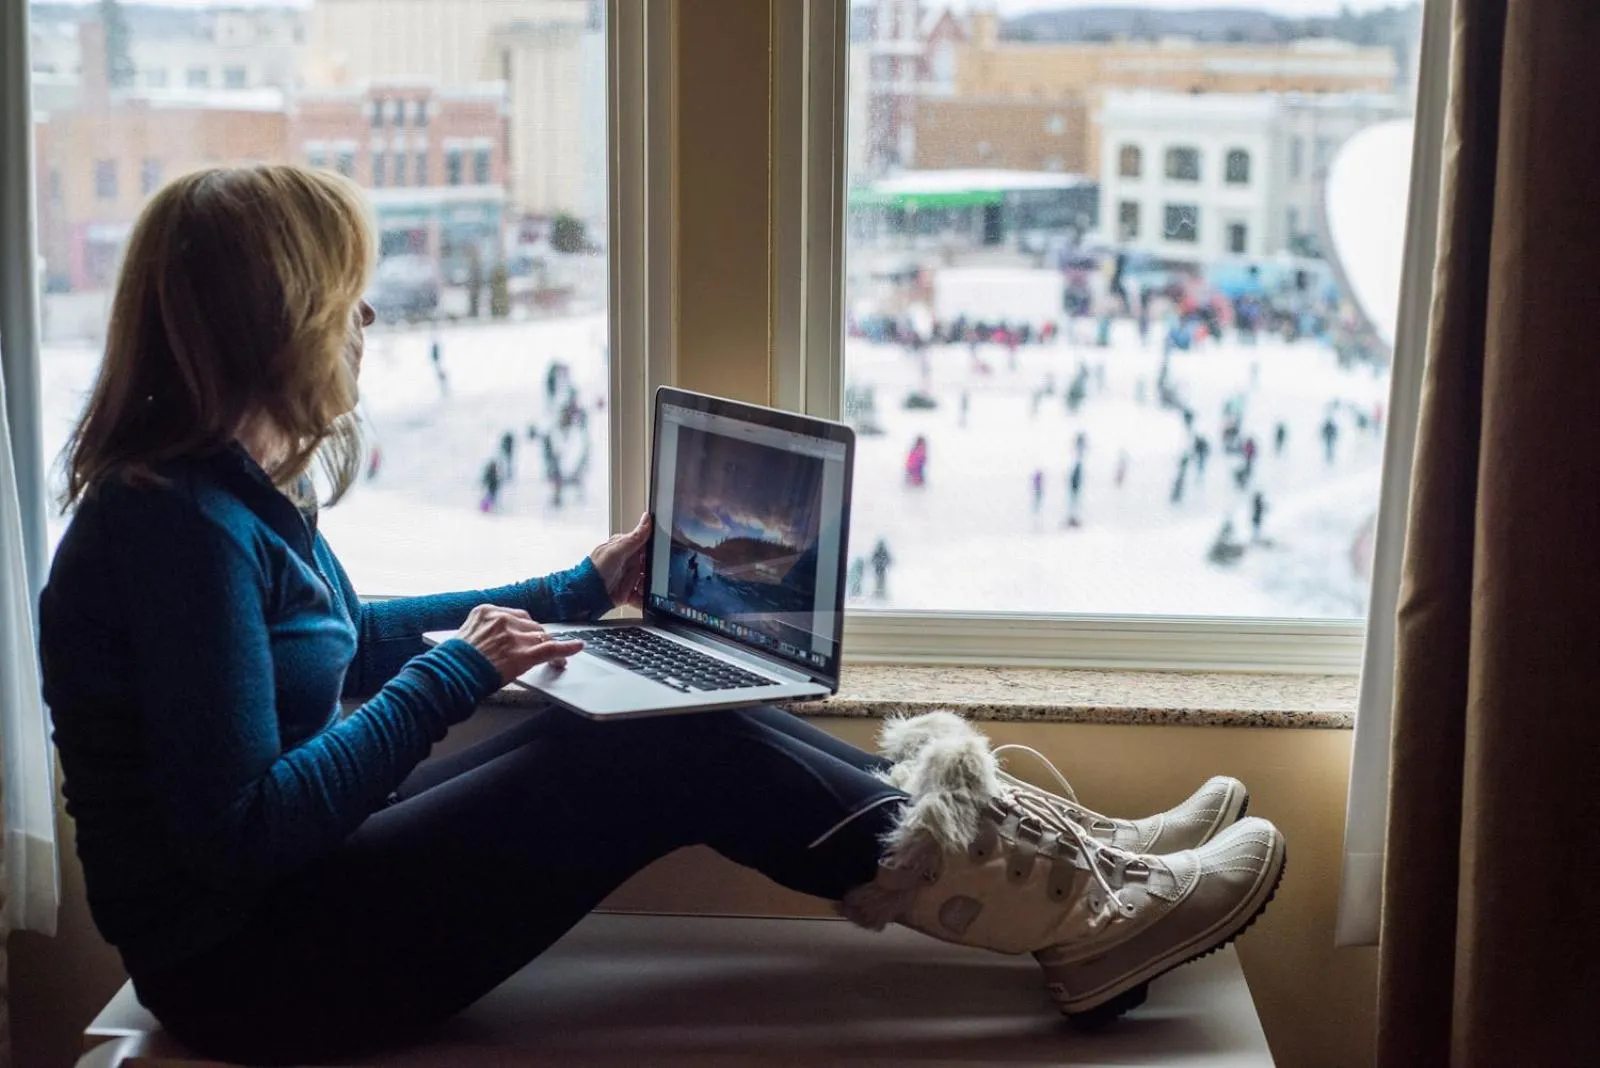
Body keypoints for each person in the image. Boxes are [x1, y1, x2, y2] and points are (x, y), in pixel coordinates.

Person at [37, 165, 1282, 1065]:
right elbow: (242, 832)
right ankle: (1075, 920)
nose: (367, 322)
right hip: (256, 979)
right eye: (344, 297)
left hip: (282, 918)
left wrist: (574, 593)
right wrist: (458, 675)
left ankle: (1066, 858)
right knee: (666, 745)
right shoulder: (173, 532)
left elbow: (348, 637)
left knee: (631, 713)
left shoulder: (225, 497)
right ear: (279, 323)